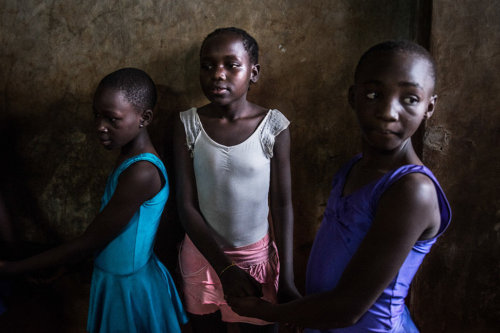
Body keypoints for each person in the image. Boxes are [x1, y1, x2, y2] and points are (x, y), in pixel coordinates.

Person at [228, 40, 452, 332]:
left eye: (409, 99)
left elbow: (348, 308)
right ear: (353, 97)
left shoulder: (412, 191)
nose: (388, 112)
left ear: (429, 106)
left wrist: (272, 312)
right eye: (373, 94)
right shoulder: (354, 168)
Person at [0, 68, 188, 332]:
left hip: (128, 286)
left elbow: (91, 240)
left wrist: (12, 269)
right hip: (116, 274)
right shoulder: (129, 158)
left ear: (144, 118)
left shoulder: (142, 172)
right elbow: (109, 235)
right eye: (97, 115)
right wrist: (68, 265)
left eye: (112, 119)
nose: (100, 126)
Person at [174, 27, 300, 333]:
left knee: (263, 327)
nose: (218, 74)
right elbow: (186, 206)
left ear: (253, 73)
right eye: (208, 66)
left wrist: (288, 279)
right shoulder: (186, 125)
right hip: (204, 258)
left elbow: (282, 205)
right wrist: (225, 269)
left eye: (231, 65)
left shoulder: (274, 127)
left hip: (257, 259)